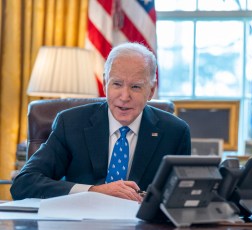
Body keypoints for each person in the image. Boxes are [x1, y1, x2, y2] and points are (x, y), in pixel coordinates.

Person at [10, 42, 191, 202]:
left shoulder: (175, 132)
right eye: (117, 84)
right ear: (105, 84)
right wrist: (93, 192)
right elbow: (24, 183)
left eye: (135, 87)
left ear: (151, 91)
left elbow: (181, 197)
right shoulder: (71, 123)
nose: (124, 96)